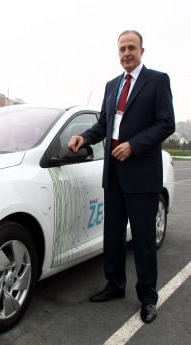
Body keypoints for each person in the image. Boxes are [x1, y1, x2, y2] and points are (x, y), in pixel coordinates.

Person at [68, 30, 175, 324]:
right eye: (122, 49)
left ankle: (148, 298)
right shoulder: (112, 85)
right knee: (113, 237)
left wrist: (135, 145)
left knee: (142, 241)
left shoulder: (158, 81)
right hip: (113, 173)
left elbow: (166, 124)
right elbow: (104, 124)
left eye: (131, 48)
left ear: (142, 50)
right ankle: (115, 286)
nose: (126, 53)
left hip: (142, 175)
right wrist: (84, 138)